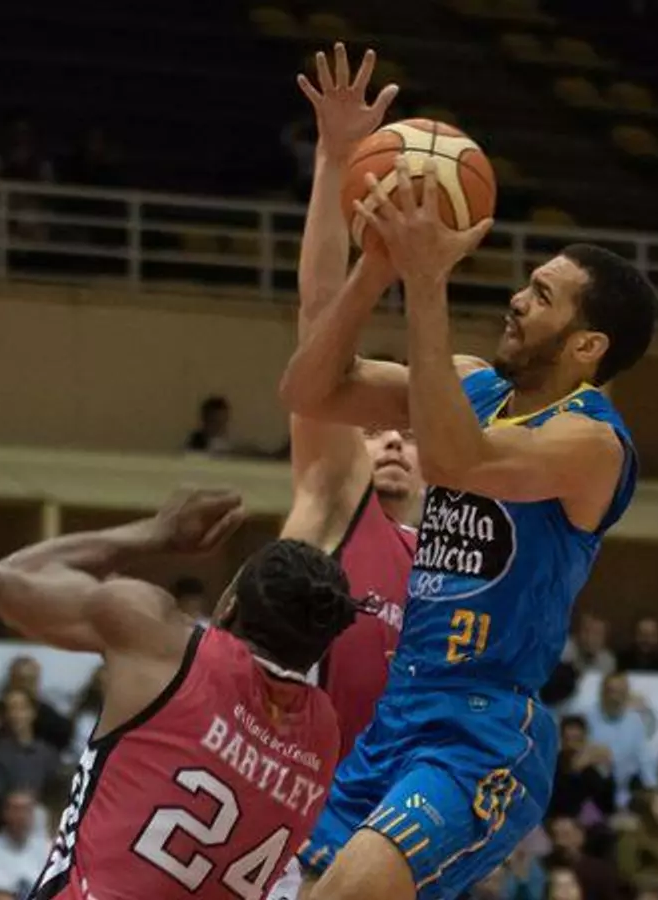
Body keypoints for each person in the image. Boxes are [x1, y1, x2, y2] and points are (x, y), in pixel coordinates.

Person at [279, 49, 657, 900]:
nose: (518, 299)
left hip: (483, 736)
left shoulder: (593, 442)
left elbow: (457, 461)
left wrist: (425, 281)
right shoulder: (476, 385)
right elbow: (311, 388)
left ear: (587, 346)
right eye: (527, 284)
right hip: (399, 715)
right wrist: (373, 253)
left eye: (543, 296)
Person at [0, 486, 357, 900]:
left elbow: (12, 581)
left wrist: (156, 533)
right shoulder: (324, 734)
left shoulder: (167, 649)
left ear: (229, 606)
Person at [264, 44, 418, 900]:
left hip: (378, 838)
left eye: (405, 427)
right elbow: (320, 316)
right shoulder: (336, 495)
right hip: (276, 820)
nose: (389, 439)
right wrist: (334, 161)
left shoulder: (455, 565)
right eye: (374, 424)